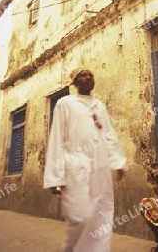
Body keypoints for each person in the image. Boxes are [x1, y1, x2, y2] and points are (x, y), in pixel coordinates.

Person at [43, 68, 128, 252]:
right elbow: (57, 137)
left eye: (91, 75)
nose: (88, 77)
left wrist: (118, 162)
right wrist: (55, 176)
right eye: (83, 75)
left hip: (100, 167)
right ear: (75, 82)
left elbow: (109, 135)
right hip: (76, 167)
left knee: (101, 216)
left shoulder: (100, 106)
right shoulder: (64, 104)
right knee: (80, 217)